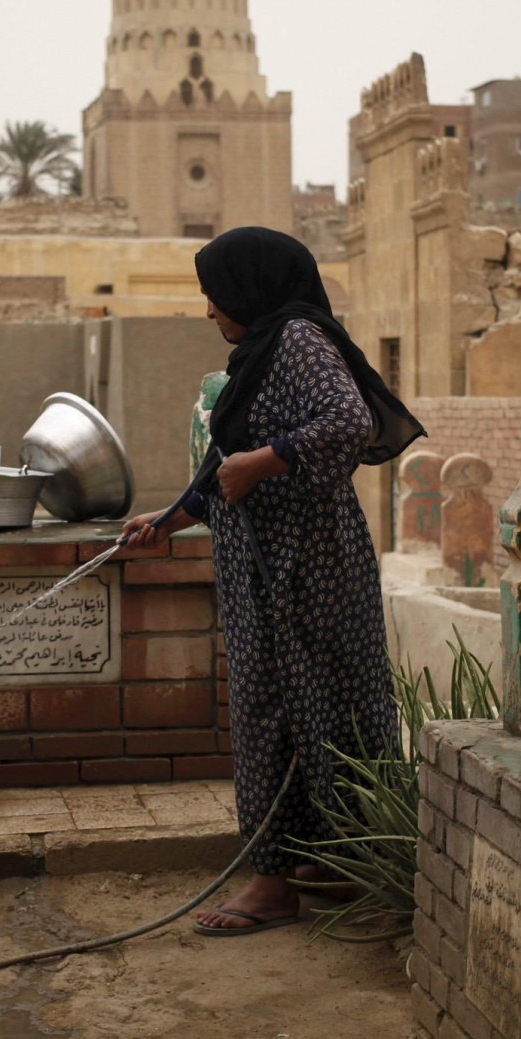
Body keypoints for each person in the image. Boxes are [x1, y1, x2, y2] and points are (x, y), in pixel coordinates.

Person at [122, 226, 426, 935]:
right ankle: (326, 859)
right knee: (296, 708)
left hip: (305, 569)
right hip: (270, 569)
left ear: (251, 287)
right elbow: (225, 471)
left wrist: (265, 461)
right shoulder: (262, 351)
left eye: (215, 294)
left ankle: (271, 884)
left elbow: (348, 421)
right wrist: (167, 520)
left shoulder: (296, 340)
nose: (209, 310)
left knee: (290, 710)